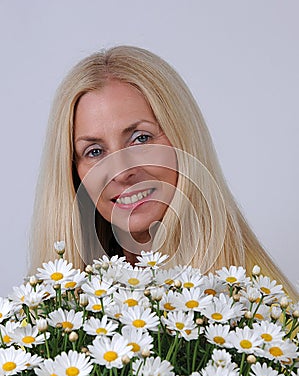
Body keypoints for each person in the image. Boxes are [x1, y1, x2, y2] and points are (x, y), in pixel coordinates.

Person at [29, 45, 297, 299]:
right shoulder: (53, 315)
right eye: (95, 152)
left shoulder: (261, 309)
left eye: (141, 139)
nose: (121, 172)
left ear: (184, 141)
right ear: (74, 174)